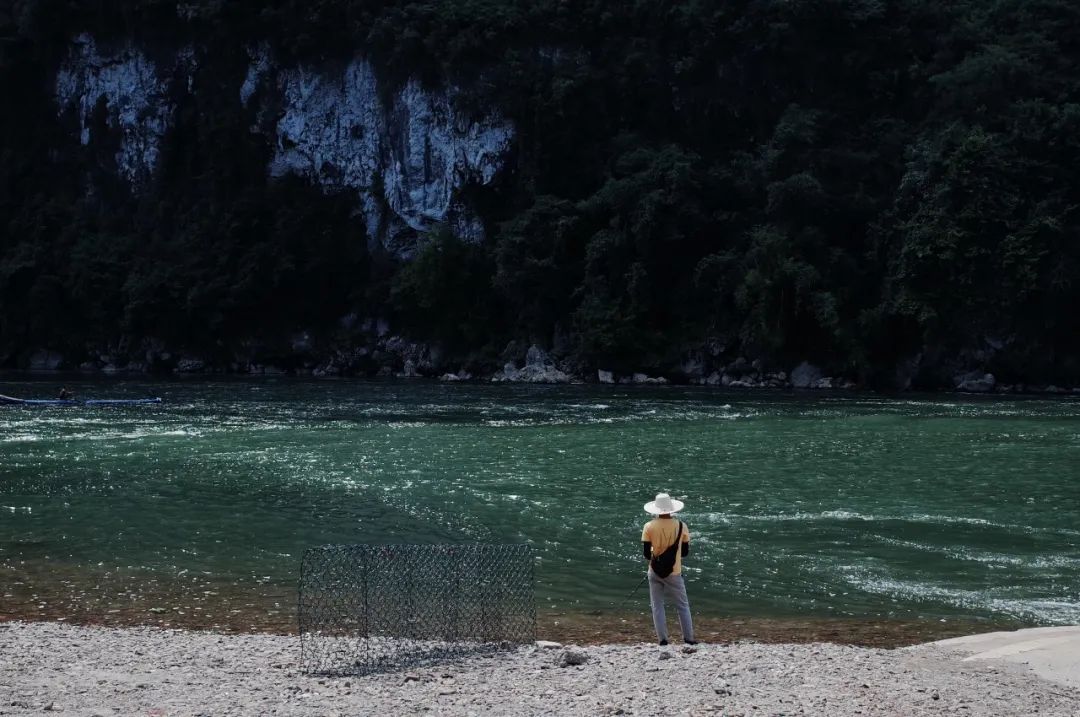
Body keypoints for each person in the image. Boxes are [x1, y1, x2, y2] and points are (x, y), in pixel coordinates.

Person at [641, 492, 696, 646]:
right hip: (675, 572)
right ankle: (689, 639)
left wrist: (655, 553)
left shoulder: (648, 526)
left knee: (657, 606)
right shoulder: (681, 526)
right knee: (682, 606)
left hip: (654, 571)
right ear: (671, 509)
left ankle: (663, 640)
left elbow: (647, 554)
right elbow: (685, 552)